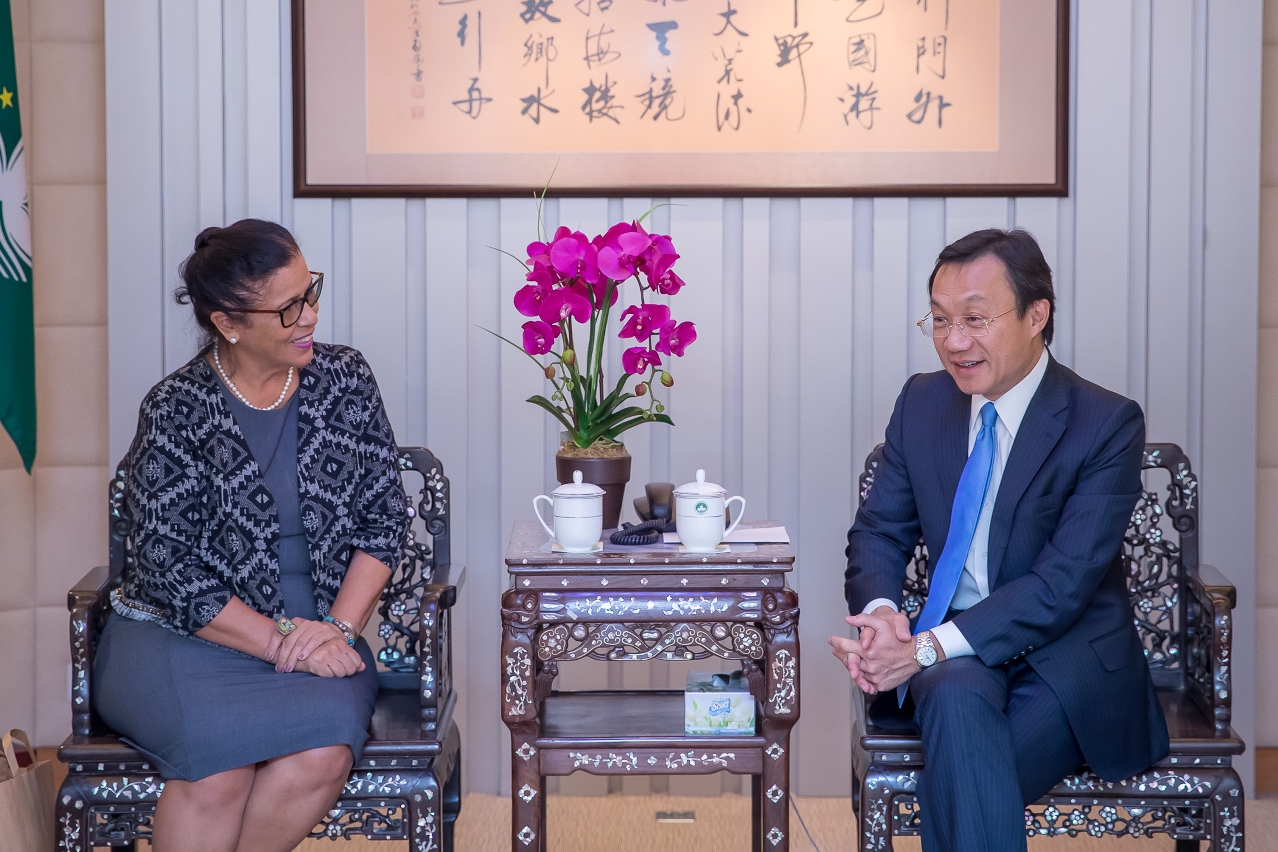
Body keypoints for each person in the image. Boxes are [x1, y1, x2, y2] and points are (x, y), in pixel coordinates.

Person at [829, 229, 1168, 852]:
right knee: (954, 705)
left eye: (976, 319)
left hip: (1067, 662)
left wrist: (921, 650)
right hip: (957, 658)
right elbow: (878, 529)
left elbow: (1061, 586)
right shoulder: (922, 402)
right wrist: (882, 618)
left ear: (1036, 315)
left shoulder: (1104, 423)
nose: (955, 341)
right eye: (940, 320)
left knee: (962, 777)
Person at [94, 219, 409, 852]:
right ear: (228, 323)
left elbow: (385, 521)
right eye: (289, 307)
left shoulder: (346, 379)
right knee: (219, 770)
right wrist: (281, 642)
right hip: (181, 636)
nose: (310, 315)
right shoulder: (175, 408)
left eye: (311, 292)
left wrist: (338, 629)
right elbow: (169, 570)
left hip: (320, 634)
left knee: (321, 754)